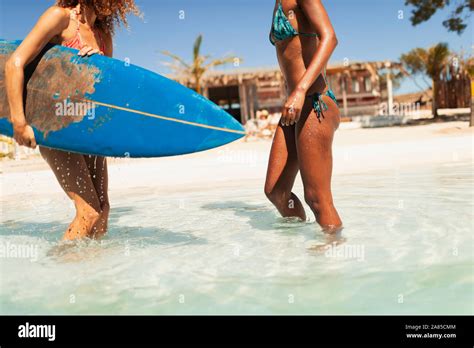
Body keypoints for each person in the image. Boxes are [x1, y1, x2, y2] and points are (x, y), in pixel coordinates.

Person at [5, 0, 139, 240]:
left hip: (87, 128)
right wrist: (19, 123)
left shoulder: (103, 35)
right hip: (54, 124)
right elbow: (14, 63)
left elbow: (104, 92)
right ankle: (62, 272)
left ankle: (92, 271)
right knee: (88, 212)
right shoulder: (60, 17)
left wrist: (97, 63)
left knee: (103, 209)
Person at [264, 0, 342, 233]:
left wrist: (299, 91)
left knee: (317, 198)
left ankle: (333, 255)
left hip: (313, 102)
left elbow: (330, 38)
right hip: (295, 107)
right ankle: (299, 243)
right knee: (276, 191)